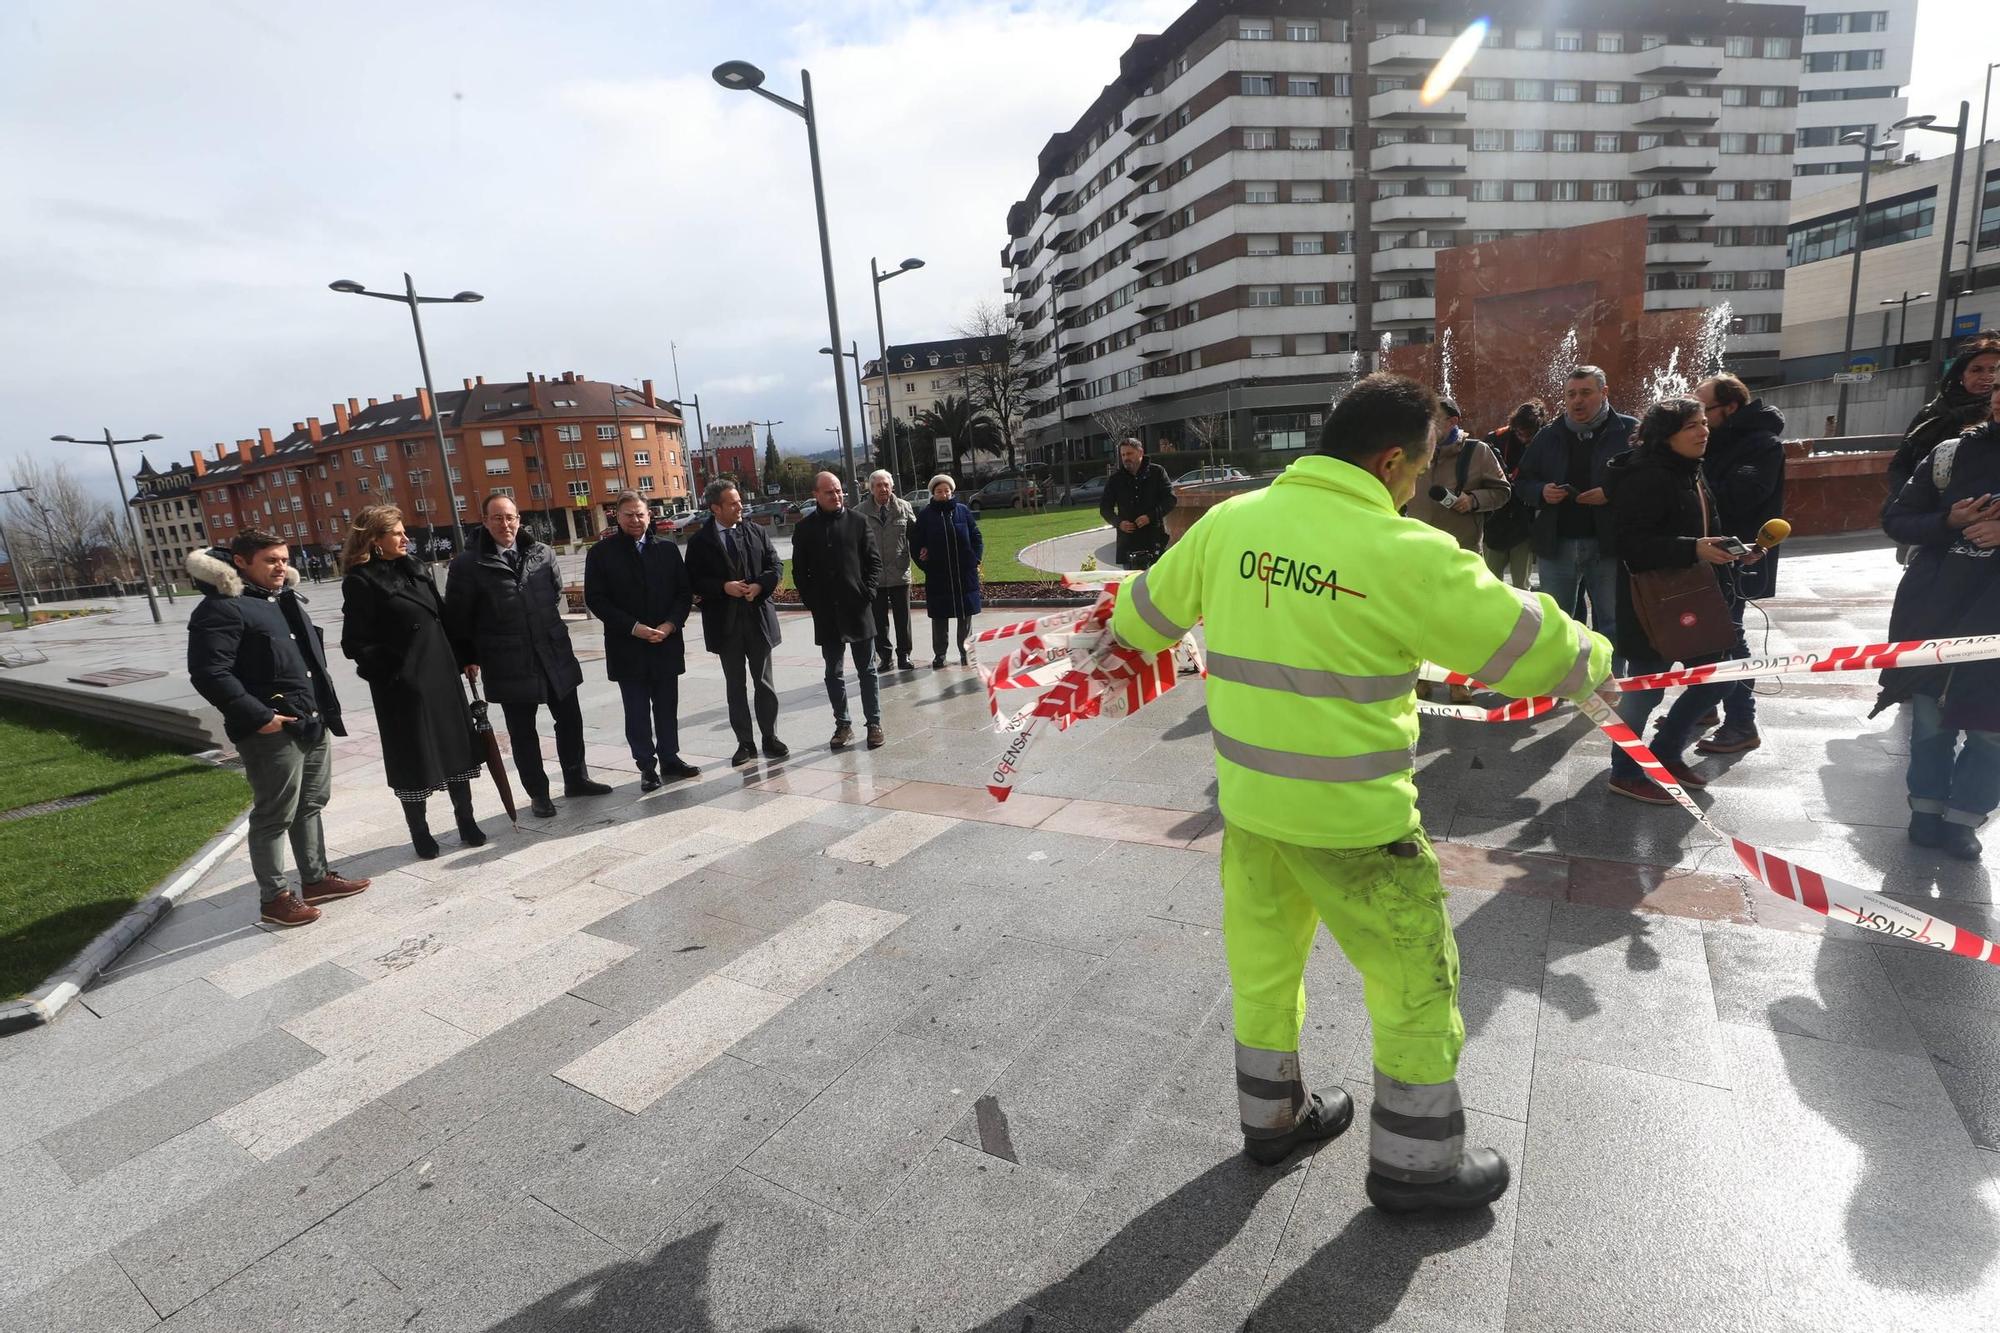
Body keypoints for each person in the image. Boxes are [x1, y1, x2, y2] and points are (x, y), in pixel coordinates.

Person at [1107, 373, 1610, 1213]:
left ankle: (1271, 1121)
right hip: (1357, 828)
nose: (1418, 485)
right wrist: (1598, 654)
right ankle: (1417, 1166)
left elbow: (1137, 621)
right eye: (1417, 469)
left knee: (1264, 969)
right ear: (1387, 460)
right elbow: (1537, 650)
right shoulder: (1402, 552)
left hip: (1253, 814)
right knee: (1417, 980)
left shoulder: (1231, 523)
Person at [187, 531, 367, 927]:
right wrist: (259, 717)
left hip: (310, 720)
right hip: (271, 731)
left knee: (311, 803)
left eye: (284, 559)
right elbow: (209, 673)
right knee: (274, 814)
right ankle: (274, 898)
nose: (281, 567)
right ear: (240, 562)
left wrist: (324, 710)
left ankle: (316, 879)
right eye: (270, 560)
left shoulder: (283, 600)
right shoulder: (221, 608)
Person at [1874, 379, 2000, 860]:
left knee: (1991, 728)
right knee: (1929, 718)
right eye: (1999, 387)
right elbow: (1897, 519)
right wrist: (1948, 521)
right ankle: (1925, 811)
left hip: (1994, 623)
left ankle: (1965, 818)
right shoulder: (1950, 453)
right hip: (1933, 612)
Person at [1601, 398, 1747, 804]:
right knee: (1644, 691)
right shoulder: (1644, 476)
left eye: (1704, 423)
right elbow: (1630, 546)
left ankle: (1664, 752)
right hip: (1651, 604)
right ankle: (1625, 771)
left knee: (1718, 679)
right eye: (1691, 427)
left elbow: (1707, 529)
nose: (1703, 432)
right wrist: (1693, 549)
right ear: (1666, 436)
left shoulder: (1691, 472)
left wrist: (1734, 549)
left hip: (1695, 596)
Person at [445, 494, 609, 819]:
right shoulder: (467, 565)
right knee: (523, 733)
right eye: (497, 518)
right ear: (485, 521)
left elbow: (555, 592)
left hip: (553, 652)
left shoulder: (542, 553)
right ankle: (538, 794)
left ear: (519, 519)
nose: (505, 524)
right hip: (507, 660)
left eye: (510, 517)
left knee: (571, 720)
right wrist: (467, 657)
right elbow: (458, 618)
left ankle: (577, 778)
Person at [338, 505, 487, 857]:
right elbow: (354, 643)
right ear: (374, 540)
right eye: (397, 533)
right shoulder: (361, 582)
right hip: (402, 688)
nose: (407, 538)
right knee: (414, 759)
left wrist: (465, 656)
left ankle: (466, 820)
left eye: (405, 532)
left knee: (456, 750)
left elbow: (444, 615)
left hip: (441, 676)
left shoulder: (417, 570)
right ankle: (419, 831)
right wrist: (395, 670)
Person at [1692, 373, 1786, 757]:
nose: (1699, 418)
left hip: (1737, 558)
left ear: (1729, 408)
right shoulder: (1717, 440)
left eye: (1704, 410)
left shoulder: (1761, 444)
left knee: (1730, 638)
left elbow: (1742, 496)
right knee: (1704, 636)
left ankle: (1742, 723)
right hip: (1710, 556)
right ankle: (1703, 706)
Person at [584, 491, 699, 792]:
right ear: (617, 518)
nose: (635, 520)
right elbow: (596, 599)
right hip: (628, 646)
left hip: (665, 642)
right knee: (636, 710)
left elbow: (683, 593)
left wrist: (671, 624)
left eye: (640, 514)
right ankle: (647, 766)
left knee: (666, 707)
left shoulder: (668, 550)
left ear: (650, 516)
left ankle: (670, 758)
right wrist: (633, 628)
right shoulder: (601, 553)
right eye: (628, 515)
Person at [1513, 366, 1636, 647]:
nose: (1577, 401)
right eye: (1571, 394)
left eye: (1585, 393)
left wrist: (1611, 493)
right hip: (1557, 545)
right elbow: (1521, 481)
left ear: (1604, 393)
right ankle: (1563, 686)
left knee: (1612, 624)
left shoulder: (1629, 431)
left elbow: (1649, 481)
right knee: (1557, 627)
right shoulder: (1549, 435)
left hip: (1608, 545)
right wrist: (1541, 491)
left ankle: (1610, 687)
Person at [685, 480, 788, 767]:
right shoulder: (699, 542)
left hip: (758, 620)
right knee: (735, 686)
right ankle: (745, 743)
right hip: (725, 624)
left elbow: (775, 566)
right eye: (732, 503)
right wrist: (722, 587)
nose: (740, 506)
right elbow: (692, 581)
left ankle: (770, 737)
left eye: (739, 500)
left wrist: (759, 587)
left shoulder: (755, 531)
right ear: (715, 508)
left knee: (764, 683)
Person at [789, 471, 885, 750]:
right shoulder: (805, 529)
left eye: (839, 491)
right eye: (830, 492)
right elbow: (799, 571)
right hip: (827, 613)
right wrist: (813, 602)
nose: (837, 496)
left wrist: (867, 592)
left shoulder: (858, 521)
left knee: (867, 670)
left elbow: (873, 563)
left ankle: (874, 724)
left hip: (858, 609)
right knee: (834, 672)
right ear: (816, 495)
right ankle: (843, 725)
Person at [1886, 334, 2000, 499]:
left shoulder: (1994, 415)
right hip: (1920, 506)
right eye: (1977, 370)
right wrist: (1908, 498)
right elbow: (1900, 464)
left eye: (1994, 370)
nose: (1987, 377)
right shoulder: (1932, 412)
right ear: (1961, 375)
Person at [911, 474, 985, 669]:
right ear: (933, 493)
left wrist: (975, 559)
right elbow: (917, 544)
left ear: (952, 492)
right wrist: (924, 563)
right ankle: (940, 655)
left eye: (947, 491)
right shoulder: (926, 515)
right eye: (939, 491)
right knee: (939, 618)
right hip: (938, 576)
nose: (943, 494)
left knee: (964, 616)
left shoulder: (962, 511)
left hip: (963, 574)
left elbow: (976, 536)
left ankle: (965, 653)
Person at [855, 469, 918, 672]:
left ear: (892, 486)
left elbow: (916, 538)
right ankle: (885, 657)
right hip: (874, 576)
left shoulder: (904, 508)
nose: (883, 489)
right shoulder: (860, 512)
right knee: (879, 620)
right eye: (878, 485)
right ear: (871, 489)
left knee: (903, 619)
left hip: (900, 572)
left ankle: (904, 655)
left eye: (886, 485)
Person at [1480, 402, 1544, 590]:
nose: (1524, 438)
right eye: (1519, 433)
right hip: (1495, 521)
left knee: (1522, 587)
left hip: (1524, 523)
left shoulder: (1544, 440)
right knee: (1490, 584)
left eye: (1529, 434)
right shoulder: (1496, 439)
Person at [1100, 437, 1176, 569]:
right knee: (1132, 586)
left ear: (1140, 452)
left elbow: (1170, 500)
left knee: (1155, 585)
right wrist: (1119, 523)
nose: (1125, 458)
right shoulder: (1115, 479)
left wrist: (1150, 517)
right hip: (1128, 544)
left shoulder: (1157, 472)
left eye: (1129, 453)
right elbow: (1105, 508)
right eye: (1123, 455)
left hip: (1154, 540)